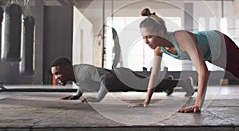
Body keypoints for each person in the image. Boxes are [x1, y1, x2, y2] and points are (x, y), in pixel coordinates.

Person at [128, 8, 239, 113]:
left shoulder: (181, 37)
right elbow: (155, 75)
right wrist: (146, 100)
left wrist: (197, 104)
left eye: (149, 36)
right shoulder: (159, 49)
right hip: (207, 52)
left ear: (161, 32)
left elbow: (203, 71)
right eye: (143, 38)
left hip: (217, 40)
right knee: (228, 67)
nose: (146, 42)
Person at [50, 57, 194, 102]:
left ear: (68, 68)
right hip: (120, 80)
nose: (57, 77)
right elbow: (84, 83)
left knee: (147, 86)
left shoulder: (83, 70)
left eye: (58, 73)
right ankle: (168, 83)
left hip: (122, 77)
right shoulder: (75, 74)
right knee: (150, 84)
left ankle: (183, 82)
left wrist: (98, 98)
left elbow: (107, 77)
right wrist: (78, 94)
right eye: (55, 75)